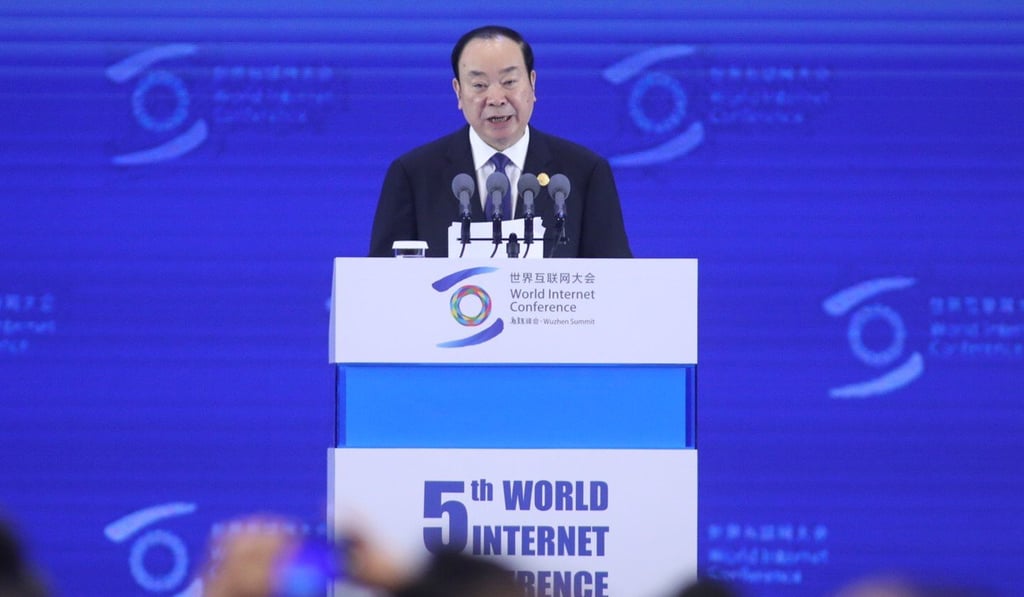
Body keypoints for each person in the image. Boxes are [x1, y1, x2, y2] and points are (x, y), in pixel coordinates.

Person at [369, 25, 633, 258]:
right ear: (458, 92)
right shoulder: (414, 174)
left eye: (509, 82)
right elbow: (384, 282)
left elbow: (614, 280)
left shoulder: (584, 172)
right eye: (479, 85)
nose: (496, 98)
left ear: (532, 84)